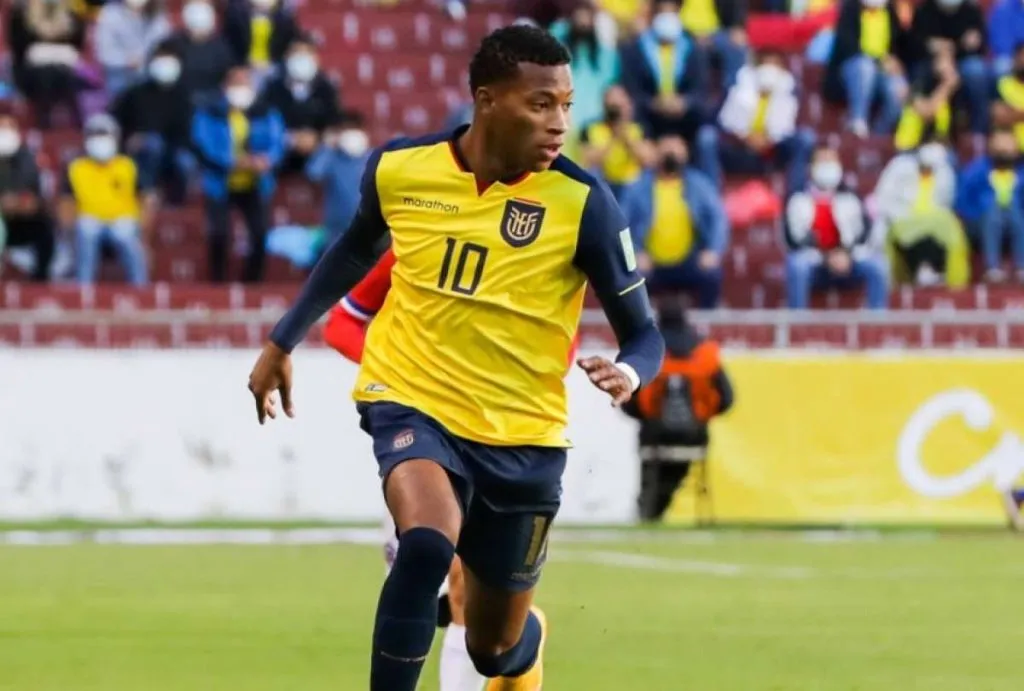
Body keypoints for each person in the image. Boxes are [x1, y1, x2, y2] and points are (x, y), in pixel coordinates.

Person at [247, 25, 664, 691]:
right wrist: (282, 339)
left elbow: (644, 333)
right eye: (541, 104)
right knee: (425, 543)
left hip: (523, 435)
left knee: (492, 646)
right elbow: (354, 249)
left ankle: (524, 648)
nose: (560, 123)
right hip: (412, 399)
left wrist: (630, 371)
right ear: (486, 100)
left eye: (565, 105)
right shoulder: (401, 169)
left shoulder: (584, 204)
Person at [322, 249, 486, 691]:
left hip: (495, 433)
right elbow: (341, 323)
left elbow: (560, 346)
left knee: (467, 593)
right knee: (427, 579)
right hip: (419, 434)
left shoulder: (523, 252)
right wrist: (398, 373)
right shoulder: (414, 243)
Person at [622, 301, 733, 522]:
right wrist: (701, 417)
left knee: (654, 469)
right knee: (676, 469)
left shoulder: (649, 355)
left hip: (654, 437)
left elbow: (628, 401)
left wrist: (648, 418)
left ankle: (649, 508)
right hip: (694, 437)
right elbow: (727, 399)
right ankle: (657, 507)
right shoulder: (706, 354)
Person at [191, 64, 286, 282]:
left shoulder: (266, 112)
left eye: (245, 83)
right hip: (220, 183)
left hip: (256, 183)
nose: (240, 88)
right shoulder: (210, 113)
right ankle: (218, 281)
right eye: (235, 83)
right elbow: (203, 144)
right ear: (225, 86)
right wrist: (232, 162)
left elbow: (278, 142)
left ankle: (252, 281)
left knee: (259, 233)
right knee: (219, 234)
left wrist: (266, 160)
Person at [60, 114, 153, 284]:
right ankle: (83, 286)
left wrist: (144, 230)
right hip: (89, 218)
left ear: (115, 138)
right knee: (86, 231)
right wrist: (68, 230)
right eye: (95, 135)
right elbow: (66, 201)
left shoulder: (128, 165)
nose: (100, 140)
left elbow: (146, 198)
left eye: (104, 135)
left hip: (124, 218)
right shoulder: (76, 167)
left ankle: (140, 286)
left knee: (126, 236)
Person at [0, 112, 55, 281]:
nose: (4, 132)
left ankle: (40, 280)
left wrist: (16, 203)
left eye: (9, 127)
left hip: (21, 220)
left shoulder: (27, 158)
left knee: (45, 227)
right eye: (1, 128)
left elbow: (33, 199)